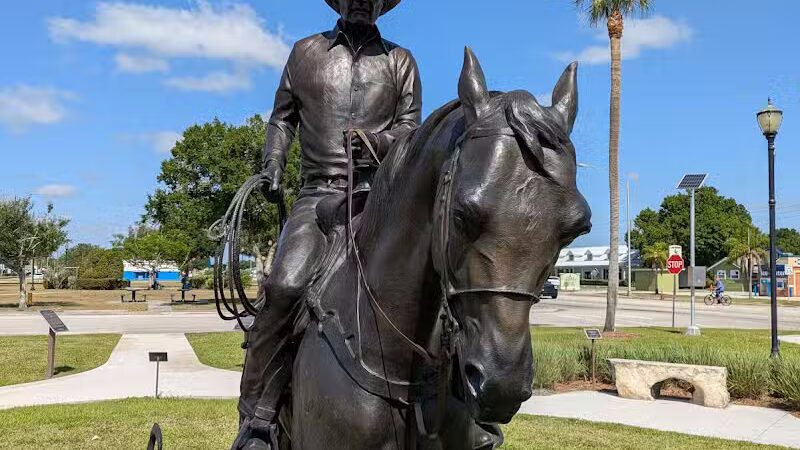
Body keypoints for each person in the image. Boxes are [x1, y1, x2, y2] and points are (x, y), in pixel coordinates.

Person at [234, 1, 421, 448]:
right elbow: (282, 120)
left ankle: (467, 413)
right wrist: (273, 162)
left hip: (379, 199)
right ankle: (258, 419)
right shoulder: (305, 53)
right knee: (283, 287)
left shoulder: (400, 62)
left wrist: (377, 142)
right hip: (317, 196)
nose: (361, 2)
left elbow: (410, 130)